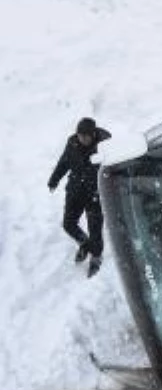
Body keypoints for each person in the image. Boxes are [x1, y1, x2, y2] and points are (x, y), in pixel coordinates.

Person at [48, 118, 111, 277]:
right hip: (75, 191)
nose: (81, 138)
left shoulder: (105, 146)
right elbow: (64, 163)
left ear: (93, 134)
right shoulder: (73, 143)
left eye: (85, 136)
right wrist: (54, 180)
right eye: (79, 135)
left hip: (94, 195)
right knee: (68, 224)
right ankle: (85, 243)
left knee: (95, 230)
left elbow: (113, 169)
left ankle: (96, 257)